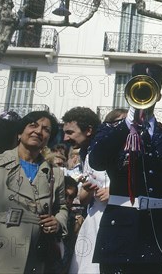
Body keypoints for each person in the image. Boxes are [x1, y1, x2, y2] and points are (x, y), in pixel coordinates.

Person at [89, 63, 162, 274]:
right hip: (119, 236)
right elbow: (96, 161)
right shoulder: (112, 131)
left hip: (158, 237)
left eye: (149, 88)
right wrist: (127, 125)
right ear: (129, 91)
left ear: (159, 95)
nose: (144, 93)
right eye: (138, 87)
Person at [0, 110, 69, 273]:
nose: (39, 131)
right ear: (20, 133)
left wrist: (58, 222)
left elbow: (62, 207)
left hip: (35, 253)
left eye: (46, 129)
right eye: (33, 125)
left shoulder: (56, 174)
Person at [60, 106, 102, 274]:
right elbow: (85, 197)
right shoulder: (85, 152)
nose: (65, 137)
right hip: (92, 218)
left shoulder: (106, 150)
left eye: (70, 132)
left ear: (89, 130)